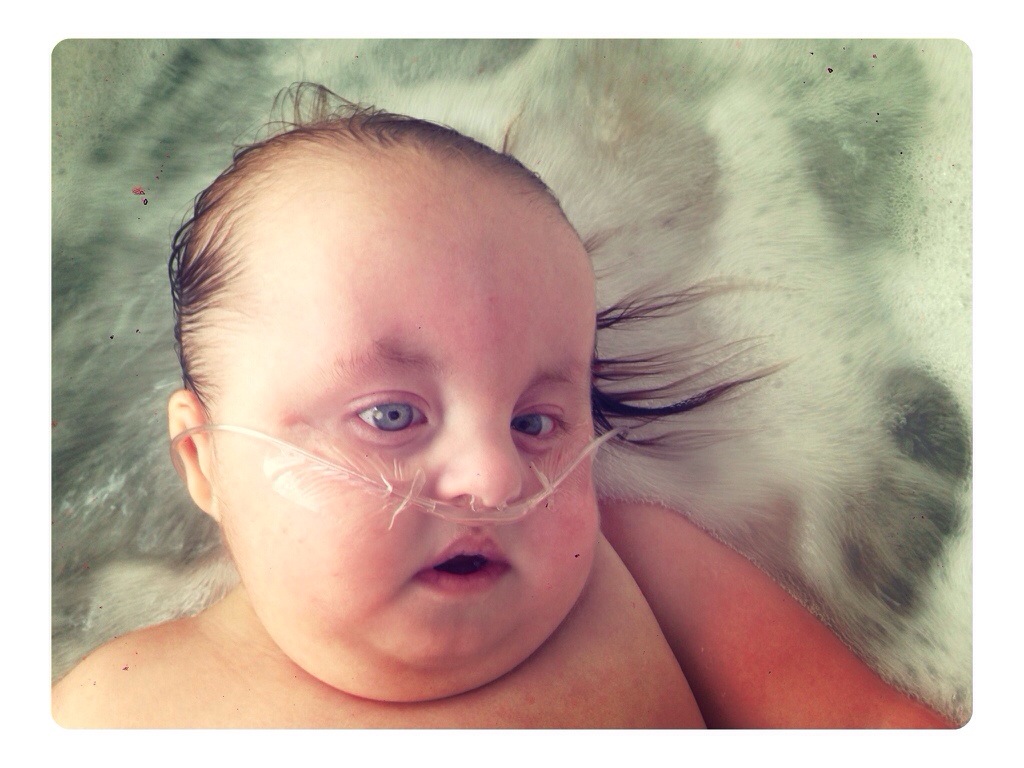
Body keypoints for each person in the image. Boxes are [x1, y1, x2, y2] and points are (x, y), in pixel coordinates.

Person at [52, 85, 953, 729]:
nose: (495, 477)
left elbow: (877, 729)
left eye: (534, 422)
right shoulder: (123, 707)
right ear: (205, 462)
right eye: (392, 416)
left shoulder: (639, 569)